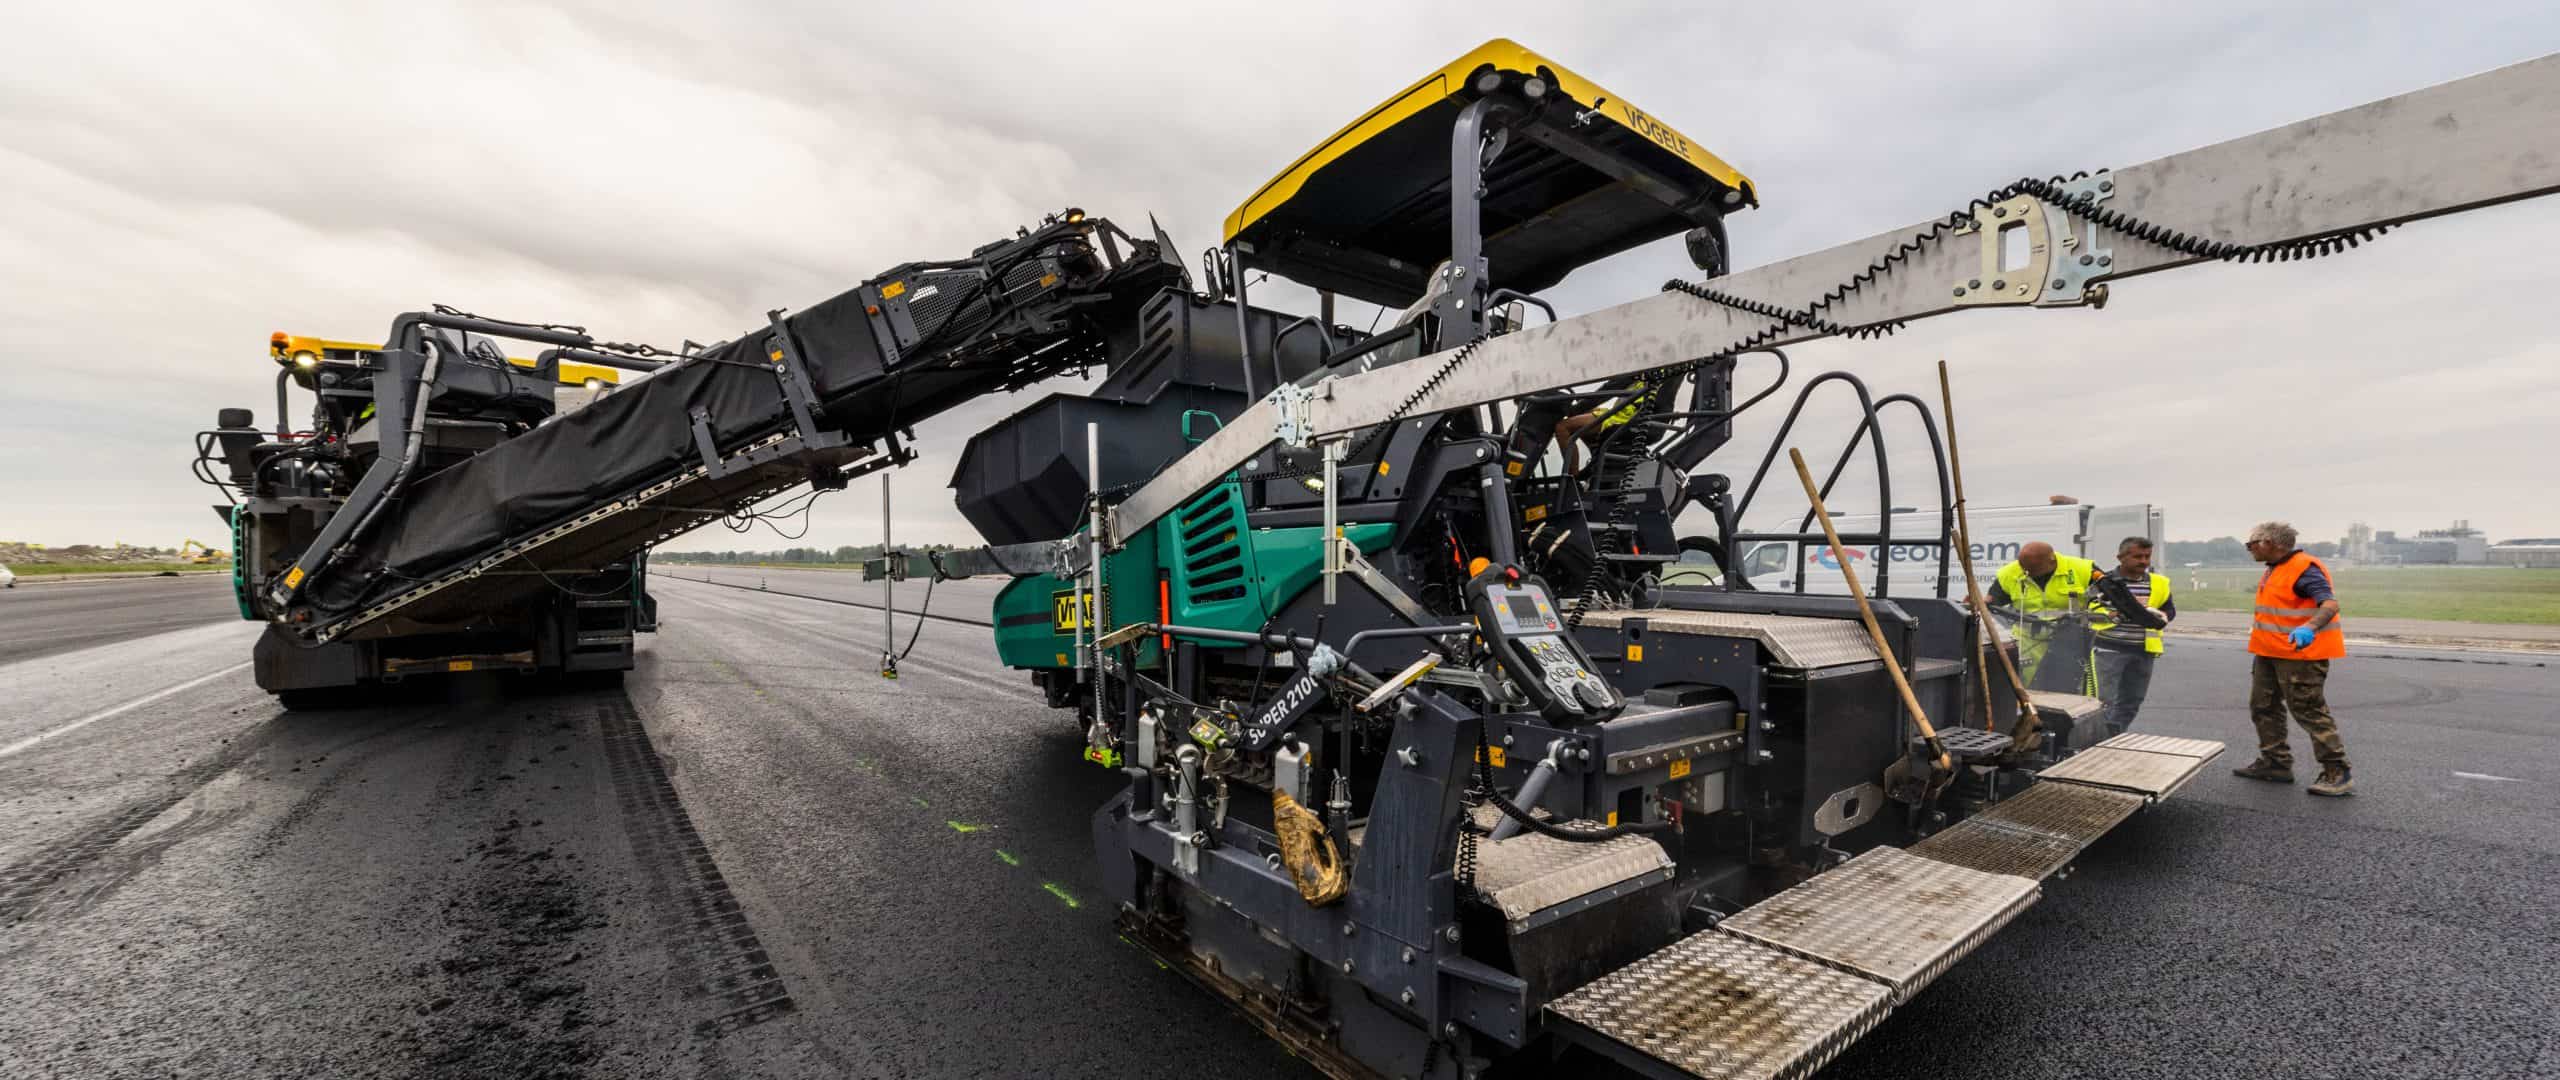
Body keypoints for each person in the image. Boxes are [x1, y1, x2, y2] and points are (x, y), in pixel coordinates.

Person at [2231, 520, 2353, 796]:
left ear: (2270, 543)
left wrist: (2310, 627)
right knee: (2263, 706)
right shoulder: (2275, 568)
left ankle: (2337, 771)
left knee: (2309, 710)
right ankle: (2275, 764)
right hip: (2269, 652)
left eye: (2252, 543)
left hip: (2300, 655)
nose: (2250, 548)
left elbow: (2329, 604)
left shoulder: (2304, 569)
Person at [2087, 537, 2175, 736]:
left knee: (2132, 701)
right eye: (2137, 556)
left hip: (2143, 651)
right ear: (2121, 557)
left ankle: (2113, 735)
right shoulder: (2104, 582)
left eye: (2147, 556)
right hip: (2109, 649)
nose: (2144, 561)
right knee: (2102, 701)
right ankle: (2097, 739)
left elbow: (2169, 610)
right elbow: (2088, 609)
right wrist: (2112, 614)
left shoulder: (2159, 582)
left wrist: (2161, 616)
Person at [1988, 541, 2099, 691]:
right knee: (2029, 689)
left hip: (2072, 641)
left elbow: (2105, 600)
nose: (2027, 572)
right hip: (2027, 643)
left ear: (2051, 559)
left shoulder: (2082, 569)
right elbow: (1993, 600)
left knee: (2071, 688)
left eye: (2034, 568)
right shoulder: (2009, 573)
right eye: (2024, 567)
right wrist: (1983, 601)